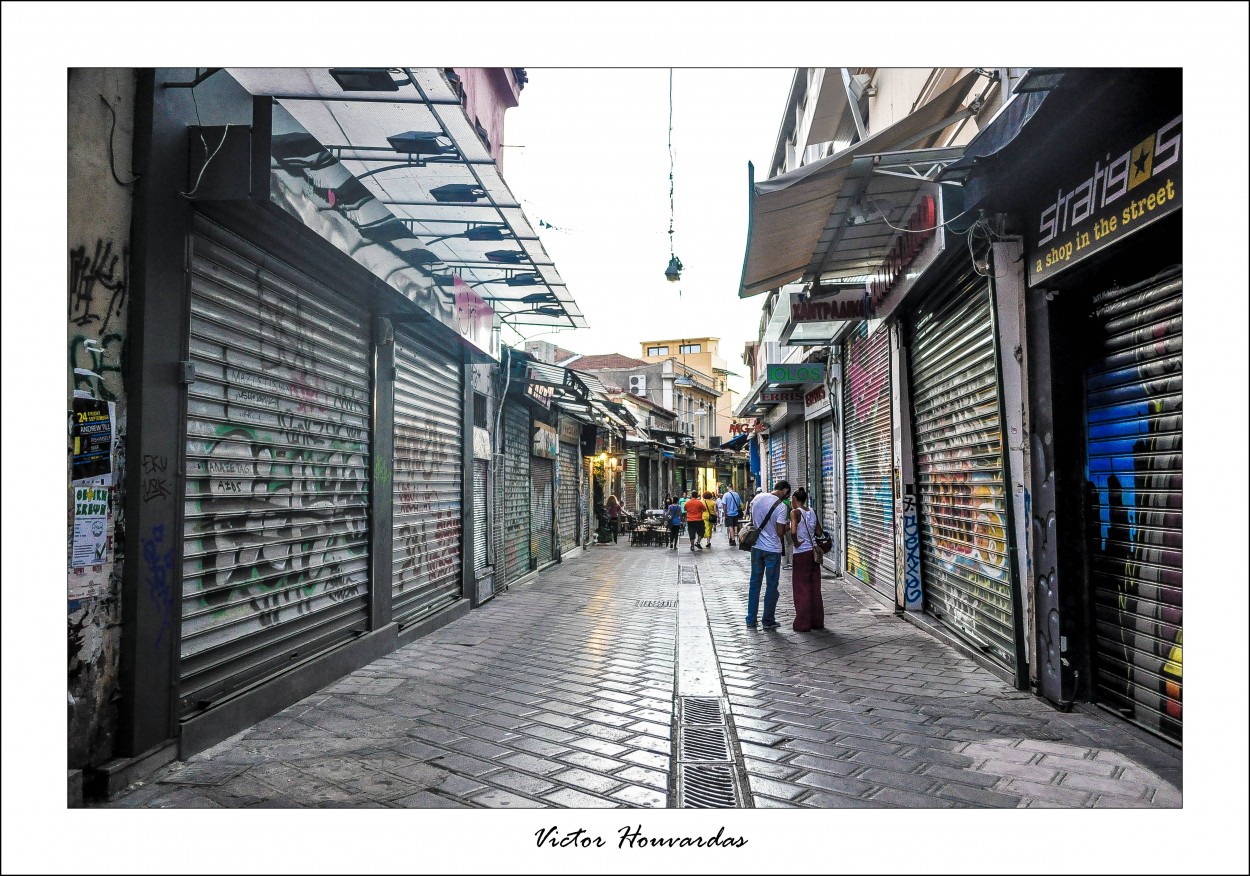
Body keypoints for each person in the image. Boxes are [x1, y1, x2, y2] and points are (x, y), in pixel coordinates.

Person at [745, 480, 791, 629]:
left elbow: (752, 521)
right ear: (784, 490)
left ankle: (751, 619)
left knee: (755, 583)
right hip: (772, 549)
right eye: (787, 494)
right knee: (771, 585)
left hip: (756, 547)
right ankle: (768, 620)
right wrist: (787, 527)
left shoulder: (757, 498)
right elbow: (779, 532)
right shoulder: (782, 507)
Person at [788, 487, 826, 632]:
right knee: (815, 588)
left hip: (801, 553)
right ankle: (817, 621)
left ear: (794, 500)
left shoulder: (795, 512)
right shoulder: (812, 512)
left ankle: (802, 623)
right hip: (814, 553)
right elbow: (819, 531)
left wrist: (796, 542)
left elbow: (793, 531)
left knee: (801, 588)